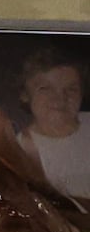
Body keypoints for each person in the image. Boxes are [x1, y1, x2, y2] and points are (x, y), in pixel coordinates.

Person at [21, 54, 90, 197]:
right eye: (46, 89)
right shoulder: (18, 149)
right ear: (25, 95)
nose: (60, 98)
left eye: (71, 89)